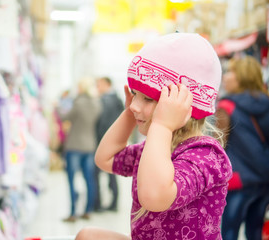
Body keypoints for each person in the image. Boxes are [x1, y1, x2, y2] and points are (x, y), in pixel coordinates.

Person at [75, 32, 232, 239]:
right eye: (134, 95)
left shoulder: (206, 155)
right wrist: (129, 113)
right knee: (88, 236)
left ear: (184, 105)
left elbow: (155, 196)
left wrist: (163, 126)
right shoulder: (155, 148)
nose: (135, 105)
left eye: (148, 98)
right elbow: (105, 158)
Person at [215, 55, 269, 240]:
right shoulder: (266, 102)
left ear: (242, 77)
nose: (226, 76)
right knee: (254, 232)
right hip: (264, 180)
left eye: (231, 72)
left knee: (229, 232)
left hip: (237, 180)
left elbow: (218, 146)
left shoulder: (227, 106)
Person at [56, 77, 101, 222]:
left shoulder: (78, 103)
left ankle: (73, 212)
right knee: (89, 179)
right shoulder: (96, 104)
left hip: (74, 145)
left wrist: (56, 106)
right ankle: (88, 210)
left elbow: (64, 117)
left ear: (81, 88)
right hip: (90, 145)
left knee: (71, 179)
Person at [94, 76, 124, 212]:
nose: (97, 88)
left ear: (107, 84)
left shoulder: (106, 100)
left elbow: (103, 123)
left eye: (99, 85)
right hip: (116, 140)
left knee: (106, 172)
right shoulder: (117, 99)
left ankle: (103, 204)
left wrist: (100, 141)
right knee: (112, 173)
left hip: (106, 141)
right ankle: (113, 203)